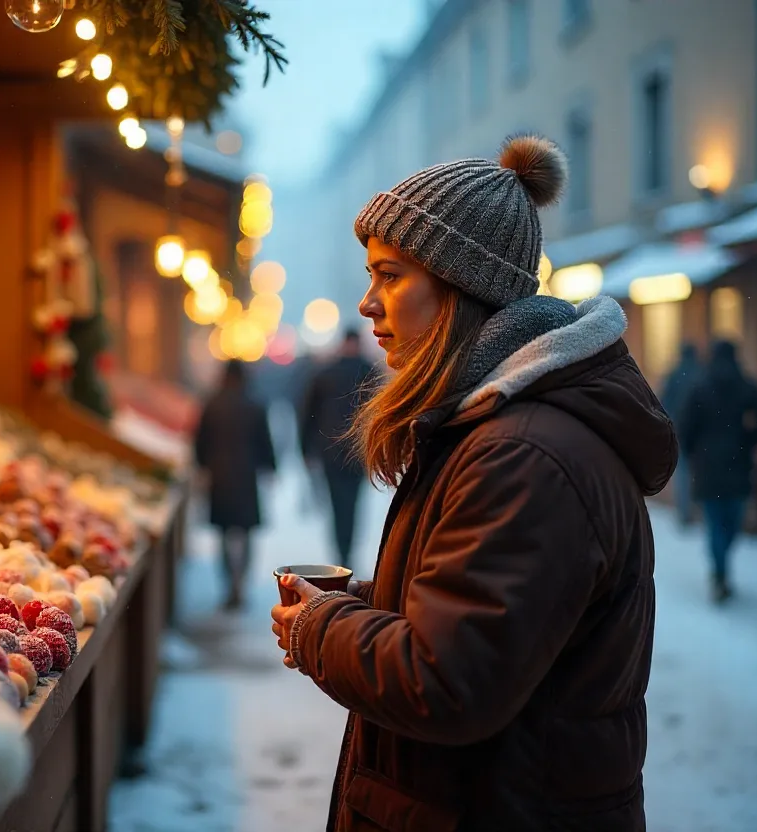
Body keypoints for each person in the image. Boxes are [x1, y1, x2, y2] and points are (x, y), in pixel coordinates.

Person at [270, 135, 676, 830]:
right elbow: (490, 633)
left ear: (462, 287)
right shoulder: (498, 429)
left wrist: (321, 626)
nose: (368, 304)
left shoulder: (521, 455)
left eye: (390, 276)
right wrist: (380, 603)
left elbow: (450, 683)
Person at [677, 340, 757, 602]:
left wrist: (694, 451)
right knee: (732, 522)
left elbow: (686, 426)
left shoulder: (700, 386)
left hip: (707, 466)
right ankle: (722, 567)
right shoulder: (746, 385)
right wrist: (750, 439)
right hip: (738, 462)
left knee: (715, 523)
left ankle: (719, 572)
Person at [194, 360, 276, 611]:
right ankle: (241, 582)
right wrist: (271, 467)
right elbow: (265, 442)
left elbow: (200, 442)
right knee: (246, 532)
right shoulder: (254, 404)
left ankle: (229, 583)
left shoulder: (212, 403)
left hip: (220, 478)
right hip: (246, 477)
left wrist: (203, 467)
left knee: (223, 533)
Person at [299, 328, 376, 567]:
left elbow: (308, 414)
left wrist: (306, 449)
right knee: (352, 503)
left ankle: (341, 551)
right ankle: (347, 548)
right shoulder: (369, 372)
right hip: (358, 451)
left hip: (330, 450)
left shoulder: (325, 373)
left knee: (336, 503)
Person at [661, 343, 701, 526]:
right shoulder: (701, 373)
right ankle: (698, 510)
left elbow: (663, 402)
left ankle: (684, 512)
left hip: (678, 429)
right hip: (700, 432)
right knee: (698, 471)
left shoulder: (675, 375)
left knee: (682, 472)